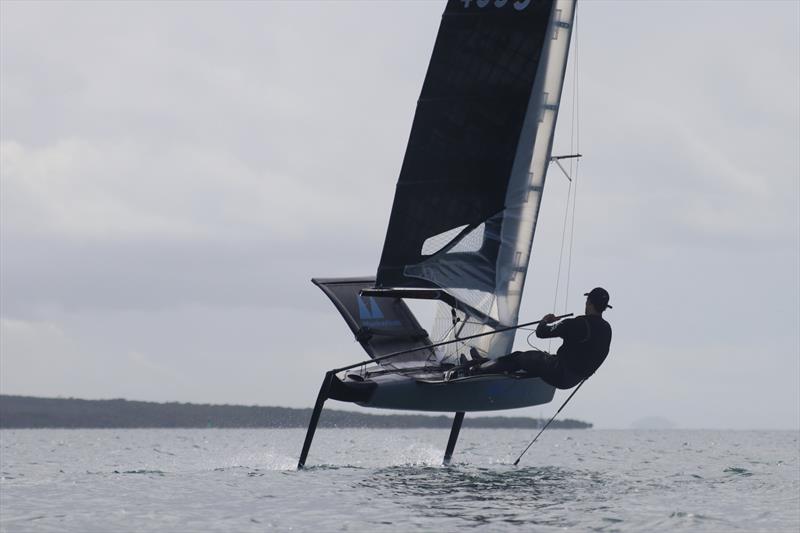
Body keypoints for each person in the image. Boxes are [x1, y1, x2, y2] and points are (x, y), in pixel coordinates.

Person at [454, 288, 613, 389]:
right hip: (573, 379)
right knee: (528, 361)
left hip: (560, 372)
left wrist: (545, 321)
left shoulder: (578, 324)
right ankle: (483, 362)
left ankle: (475, 369)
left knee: (520, 357)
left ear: (589, 303)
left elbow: (541, 333)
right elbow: (601, 355)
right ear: (604, 307)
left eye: (587, 301)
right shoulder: (607, 329)